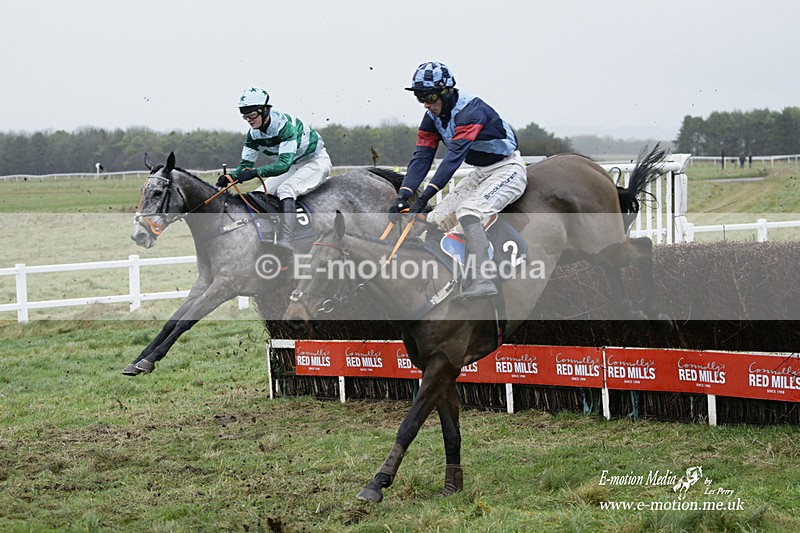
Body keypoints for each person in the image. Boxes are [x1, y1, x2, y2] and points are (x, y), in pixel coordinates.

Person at [388, 62, 527, 299]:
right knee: (434, 219)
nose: (425, 103)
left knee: (469, 212)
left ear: (446, 91)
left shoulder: (471, 112)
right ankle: (446, 274)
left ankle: (484, 278)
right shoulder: (431, 117)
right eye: (420, 97)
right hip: (481, 172)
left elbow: (452, 159)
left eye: (429, 96)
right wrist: (403, 195)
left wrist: (424, 197)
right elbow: (422, 157)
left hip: (508, 168)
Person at [217, 86, 332, 253]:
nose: (248, 119)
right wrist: (231, 177)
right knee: (258, 194)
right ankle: (268, 235)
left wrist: (255, 173)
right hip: (294, 165)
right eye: (245, 116)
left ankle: (287, 239)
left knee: (286, 189)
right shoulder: (253, 134)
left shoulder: (284, 127)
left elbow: (283, 165)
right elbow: (245, 165)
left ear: (264, 110)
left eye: (252, 115)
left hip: (315, 161)